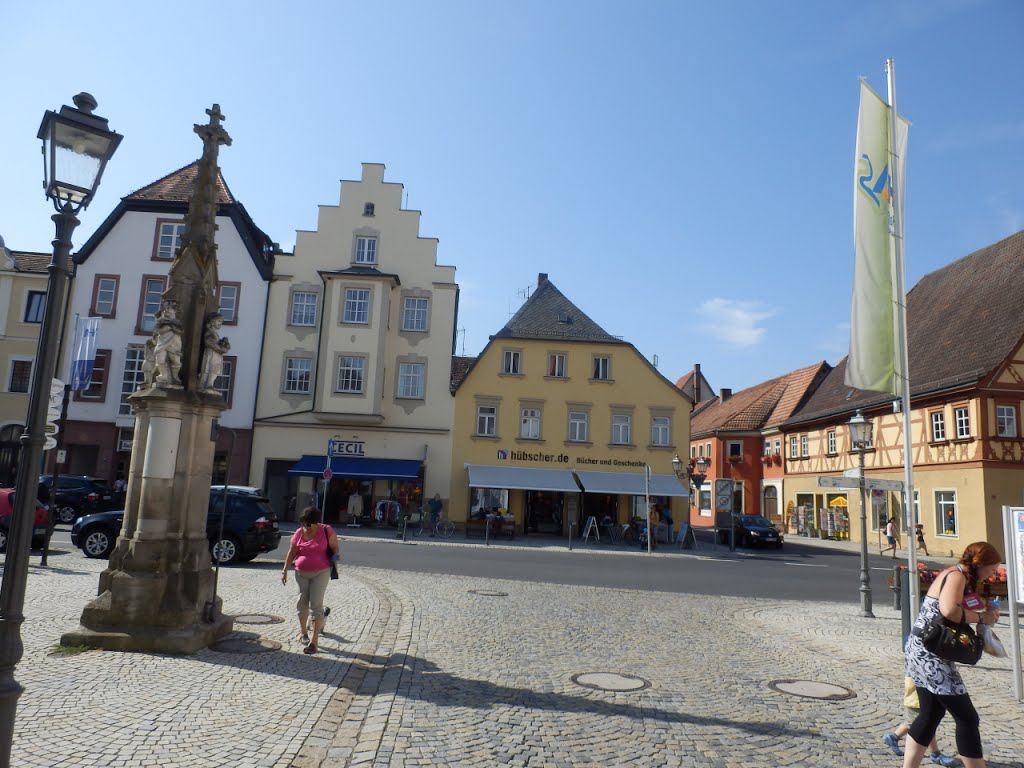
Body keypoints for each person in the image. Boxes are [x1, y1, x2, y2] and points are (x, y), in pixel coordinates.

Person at [902, 541, 1003, 768]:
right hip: (931, 655)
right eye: (992, 568)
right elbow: (949, 610)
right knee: (967, 717)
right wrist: (981, 618)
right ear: (980, 564)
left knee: (930, 714)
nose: (993, 573)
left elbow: (959, 606)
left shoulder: (960, 576)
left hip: (923, 649)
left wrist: (985, 610)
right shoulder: (957, 576)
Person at [281, 506, 338, 654]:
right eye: (303, 523)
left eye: (309, 523)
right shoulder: (299, 532)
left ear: (316, 522)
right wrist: (285, 569)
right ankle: (303, 633)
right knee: (302, 602)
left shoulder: (326, 530)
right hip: (301, 573)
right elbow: (292, 551)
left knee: (316, 604)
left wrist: (334, 561)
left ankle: (314, 642)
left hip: (321, 572)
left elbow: (335, 549)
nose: (306, 526)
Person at [881, 676, 957, 765]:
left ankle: (893, 737)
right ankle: (935, 754)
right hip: (917, 700)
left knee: (923, 724)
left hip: (917, 698)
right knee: (925, 725)